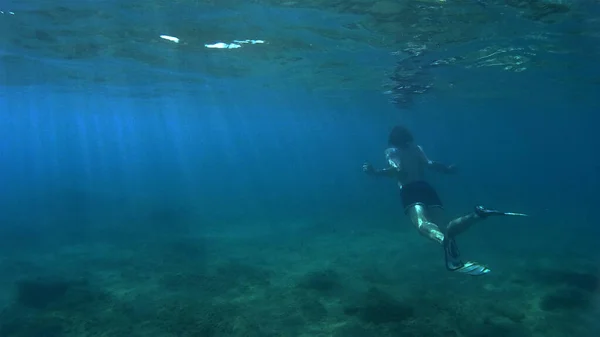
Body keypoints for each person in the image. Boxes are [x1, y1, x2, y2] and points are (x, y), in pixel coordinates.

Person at [363, 125, 526, 276]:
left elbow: (397, 169)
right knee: (445, 227)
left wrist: (375, 172)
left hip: (410, 190)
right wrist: (447, 169)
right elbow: (430, 164)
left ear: (392, 139)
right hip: (426, 188)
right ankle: (476, 215)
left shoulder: (391, 151)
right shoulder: (416, 148)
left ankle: (444, 243)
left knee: (422, 224)